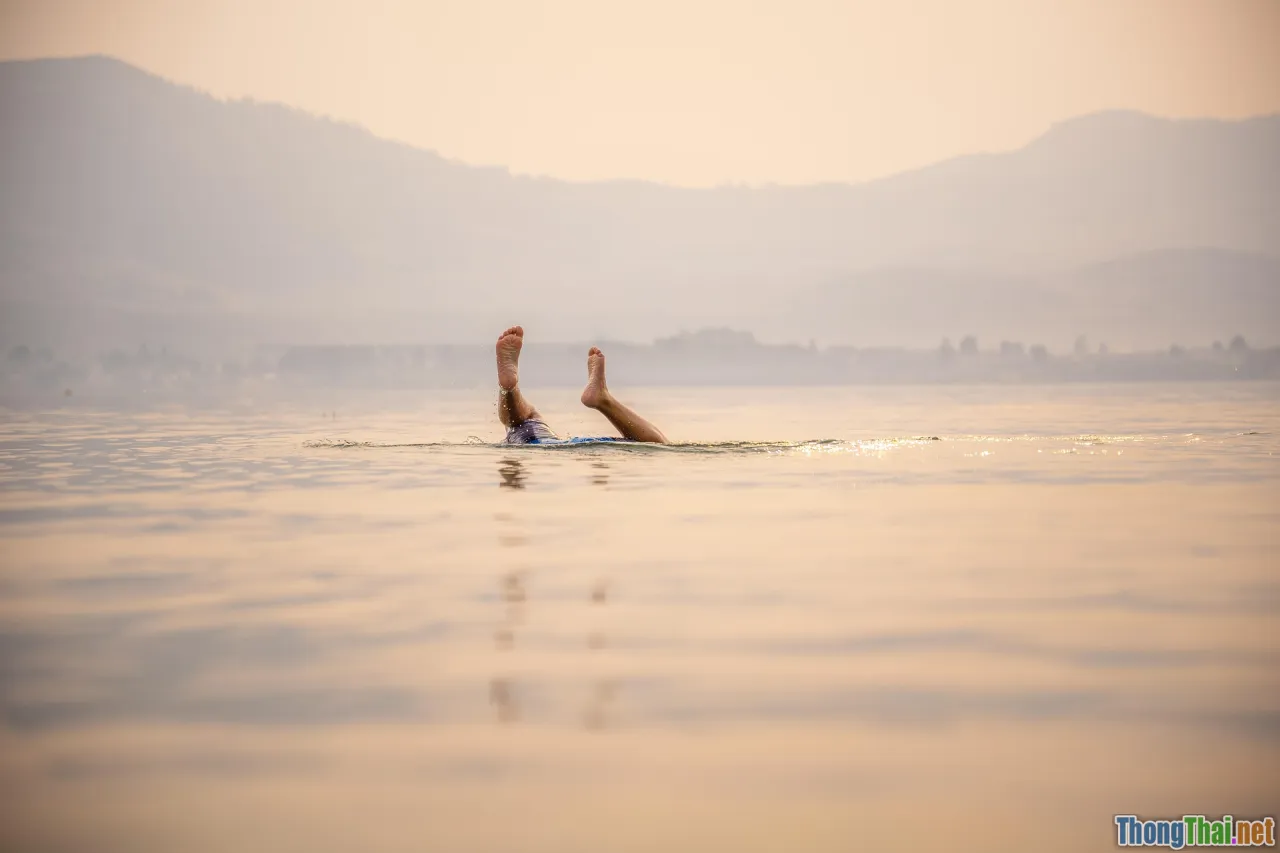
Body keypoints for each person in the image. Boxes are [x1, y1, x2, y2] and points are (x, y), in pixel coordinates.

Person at [496, 326, 668, 444]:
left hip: (538, 443)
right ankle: (604, 399)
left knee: (524, 420)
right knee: (658, 445)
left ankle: (508, 389)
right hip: (585, 445)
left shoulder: (534, 441)